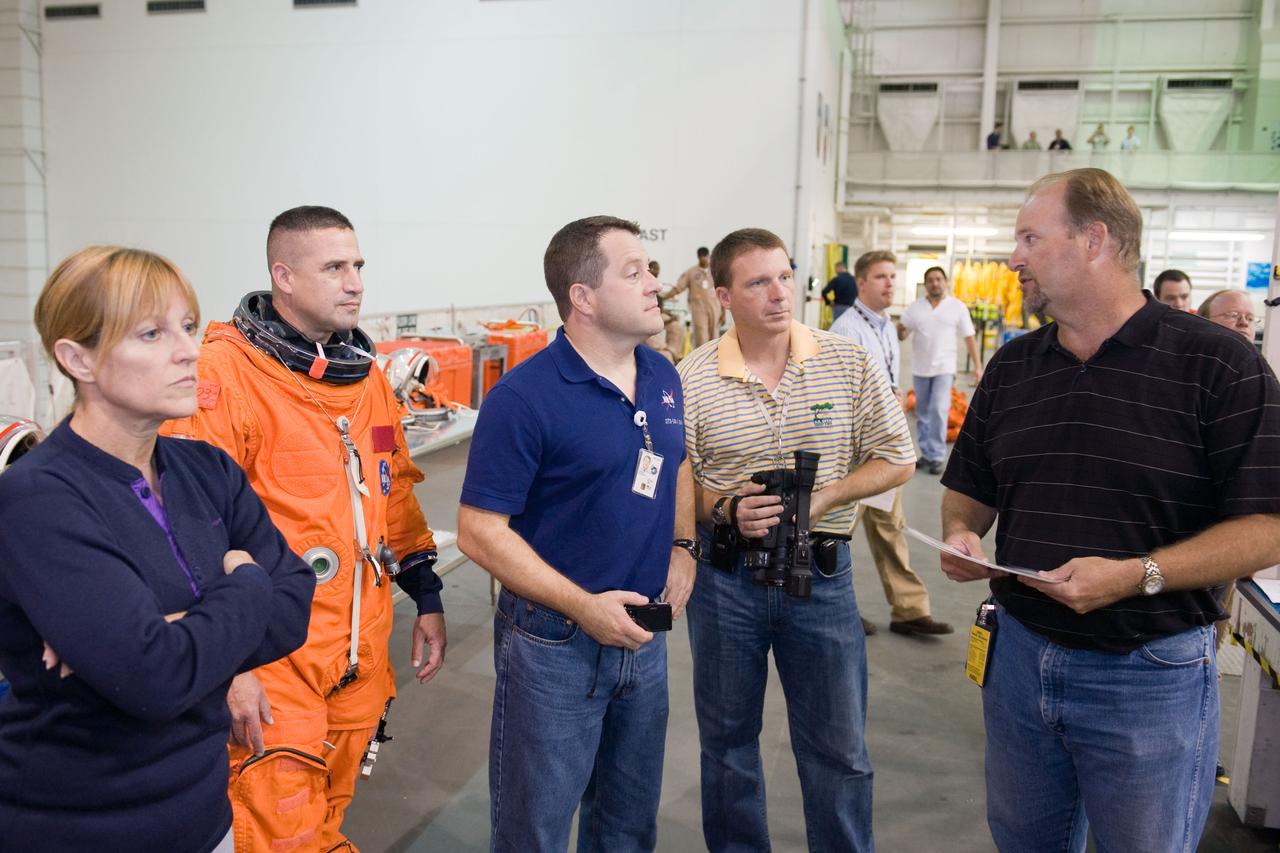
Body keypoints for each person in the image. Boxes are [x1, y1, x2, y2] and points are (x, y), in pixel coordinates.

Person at [940, 167, 1280, 853]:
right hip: (1018, 660)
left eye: (1031, 237)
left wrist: (1136, 574)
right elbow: (969, 489)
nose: (1014, 258)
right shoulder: (1013, 368)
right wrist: (959, 533)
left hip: (1148, 675)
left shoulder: (1218, 365)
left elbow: (1267, 527)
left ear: (1094, 239)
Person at [0, 246, 313, 852]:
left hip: (203, 814)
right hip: (81, 825)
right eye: (151, 333)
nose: (189, 351)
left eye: (188, 327)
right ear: (77, 357)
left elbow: (295, 604)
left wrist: (168, 630)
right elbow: (154, 680)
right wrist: (245, 584)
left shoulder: (207, 471)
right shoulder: (38, 499)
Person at [161, 206, 446, 852]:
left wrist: (425, 592)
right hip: (270, 655)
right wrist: (225, 664)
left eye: (358, 266)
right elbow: (186, 532)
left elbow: (391, 488)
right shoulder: (225, 377)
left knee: (326, 816)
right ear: (283, 277)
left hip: (357, 650)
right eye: (336, 267)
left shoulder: (368, 381)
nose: (355, 282)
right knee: (277, 825)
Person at [457, 216, 692, 852]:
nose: (654, 284)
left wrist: (683, 547)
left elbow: (678, 463)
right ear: (582, 297)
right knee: (536, 827)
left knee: (626, 824)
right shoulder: (523, 398)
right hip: (554, 645)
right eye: (634, 271)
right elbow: (479, 532)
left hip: (646, 636)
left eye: (650, 268)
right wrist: (582, 607)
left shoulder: (663, 376)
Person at [679, 228, 916, 851]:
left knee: (839, 750)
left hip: (825, 579)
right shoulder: (693, 377)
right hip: (726, 586)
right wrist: (725, 507)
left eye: (785, 276)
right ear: (724, 295)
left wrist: (824, 498)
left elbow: (898, 458)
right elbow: (680, 487)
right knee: (728, 746)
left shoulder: (847, 362)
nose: (779, 293)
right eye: (759, 282)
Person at [828, 252, 954, 637]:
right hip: (855, 448)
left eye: (892, 276)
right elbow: (841, 391)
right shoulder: (847, 329)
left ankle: (909, 610)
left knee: (890, 527)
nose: (889, 283)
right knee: (837, 530)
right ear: (861, 282)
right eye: (880, 276)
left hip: (883, 444)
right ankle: (836, 608)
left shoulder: (885, 326)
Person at [898, 265, 983, 473]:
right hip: (920, 368)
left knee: (938, 408)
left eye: (938, 279)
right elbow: (902, 333)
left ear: (945, 282)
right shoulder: (915, 308)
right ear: (925, 285)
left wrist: (978, 366)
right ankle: (926, 453)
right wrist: (897, 330)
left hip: (944, 368)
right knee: (922, 412)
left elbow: (969, 337)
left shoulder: (957, 307)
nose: (935, 283)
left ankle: (936, 455)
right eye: (930, 280)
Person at [666, 246, 721, 347]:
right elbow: (679, 287)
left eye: (705, 256)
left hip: (715, 308)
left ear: (708, 256)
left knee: (715, 336)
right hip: (699, 309)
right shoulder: (692, 272)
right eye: (700, 257)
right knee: (701, 335)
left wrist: (724, 312)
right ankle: (703, 361)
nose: (703, 259)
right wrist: (665, 297)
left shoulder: (715, 271)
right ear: (698, 257)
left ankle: (716, 360)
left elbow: (723, 290)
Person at [644, 259, 685, 363]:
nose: (657, 271)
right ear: (649, 269)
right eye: (655, 269)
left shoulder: (657, 284)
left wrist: (670, 315)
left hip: (657, 312)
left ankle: (675, 352)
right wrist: (669, 318)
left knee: (677, 327)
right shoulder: (642, 282)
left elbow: (659, 303)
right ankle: (669, 351)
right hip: (645, 314)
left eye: (658, 269)